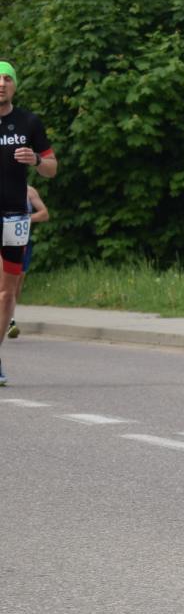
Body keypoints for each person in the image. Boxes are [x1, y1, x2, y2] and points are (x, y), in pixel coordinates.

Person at [0, 61, 58, 387]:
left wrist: (35, 159)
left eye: (7, 78)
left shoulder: (29, 122)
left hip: (15, 216)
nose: (1, 83)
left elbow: (51, 167)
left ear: (14, 85)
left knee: (7, 294)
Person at [5, 186, 47, 340]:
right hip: (3, 241)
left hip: (22, 242)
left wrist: (25, 218)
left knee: (16, 284)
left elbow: (44, 214)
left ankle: (10, 320)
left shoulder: (29, 191)